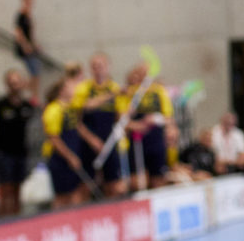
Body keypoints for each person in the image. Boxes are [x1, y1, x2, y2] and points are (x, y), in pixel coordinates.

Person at [71, 52, 125, 198]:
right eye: (94, 66)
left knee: (113, 183)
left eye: (101, 66)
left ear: (108, 67)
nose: (98, 69)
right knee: (86, 185)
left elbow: (120, 117)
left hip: (109, 142)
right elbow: (82, 111)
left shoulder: (114, 87)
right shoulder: (84, 88)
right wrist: (91, 140)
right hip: (88, 142)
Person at [122, 61, 173, 191]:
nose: (142, 76)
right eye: (139, 73)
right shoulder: (129, 93)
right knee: (137, 183)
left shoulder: (159, 91)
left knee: (158, 180)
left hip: (155, 140)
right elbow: (121, 120)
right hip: (136, 141)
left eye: (145, 73)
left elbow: (168, 118)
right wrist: (135, 125)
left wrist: (155, 119)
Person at [0, 68, 34, 216]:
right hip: (5, 152)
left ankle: (16, 218)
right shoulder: (0, 105)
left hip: (21, 152)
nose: (14, 86)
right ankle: (3, 219)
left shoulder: (27, 106)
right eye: (11, 83)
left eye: (17, 83)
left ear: (22, 84)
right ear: (7, 85)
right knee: (6, 190)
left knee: (18, 189)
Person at [41, 76, 85, 209]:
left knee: (75, 193)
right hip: (60, 158)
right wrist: (70, 156)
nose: (75, 89)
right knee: (62, 196)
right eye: (71, 87)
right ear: (62, 90)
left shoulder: (70, 107)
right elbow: (54, 138)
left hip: (73, 154)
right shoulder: (53, 109)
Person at [13, 0, 40, 100]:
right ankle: (30, 95)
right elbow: (18, 32)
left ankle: (33, 96)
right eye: (27, 1)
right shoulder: (21, 15)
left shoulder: (28, 15)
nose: (30, 3)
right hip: (24, 48)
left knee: (35, 73)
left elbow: (30, 33)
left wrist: (34, 44)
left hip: (29, 46)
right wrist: (25, 45)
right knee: (33, 73)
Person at [211, 111, 244, 176]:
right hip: (216, 170)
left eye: (231, 122)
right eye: (226, 122)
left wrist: (227, 162)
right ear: (222, 121)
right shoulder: (213, 133)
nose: (229, 124)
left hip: (235, 170)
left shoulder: (238, 134)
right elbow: (213, 157)